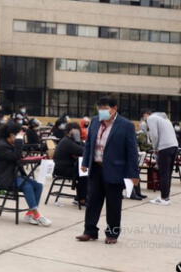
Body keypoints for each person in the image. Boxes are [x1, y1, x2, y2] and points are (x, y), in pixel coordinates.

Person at [77, 96, 139, 244]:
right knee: (92, 202)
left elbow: (132, 152)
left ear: (114, 108)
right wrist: (86, 162)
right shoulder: (95, 121)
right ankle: (89, 231)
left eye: (105, 109)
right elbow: (89, 144)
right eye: (100, 108)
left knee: (113, 204)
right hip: (96, 168)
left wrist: (133, 174)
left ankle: (112, 234)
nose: (102, 111)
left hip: (115, 170)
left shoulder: (126, 125)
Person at [0, 123, 52, 226]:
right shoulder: (1, 146)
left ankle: (30, 214)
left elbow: (18, 157)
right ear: (11, 135)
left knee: (38, 186)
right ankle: (37, 214)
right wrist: (19, 141)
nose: (19, 138)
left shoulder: (10, 144)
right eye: (17, 136)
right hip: (4, 178)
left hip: (14, 175)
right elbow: (16, 157)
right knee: (27, 186)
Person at [142, 109, 178, 206]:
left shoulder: (151, 118)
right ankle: (166, 197)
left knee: (163, 173)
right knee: (168, 173)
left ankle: (163, 199)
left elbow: (154, 135)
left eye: (144, 116)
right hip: (174, 146)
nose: (144, 119)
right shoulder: (165, 118)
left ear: (147, 114)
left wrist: (155, 148)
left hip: (164, 147)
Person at [53, 123, 87, 206]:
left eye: (78, 129)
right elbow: (83, 151)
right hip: (62, 169)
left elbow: (84, 147)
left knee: (86, 172)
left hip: (70, 166)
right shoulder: (66, 141)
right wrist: (79, 142)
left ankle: (81, 197)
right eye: (75, 129)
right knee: (86, 174)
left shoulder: (72, 140)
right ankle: (81, 199)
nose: (77, 131)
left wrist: (79, 140)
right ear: (69, 130)